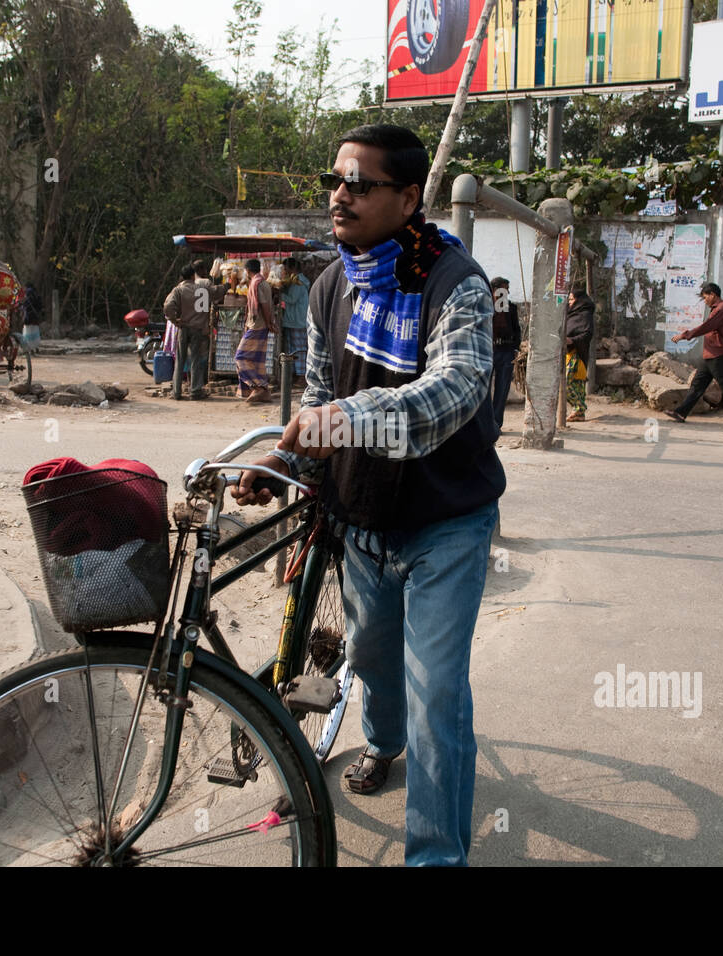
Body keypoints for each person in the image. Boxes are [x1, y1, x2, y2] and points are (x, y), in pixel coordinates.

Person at [232, 123, 505, 867]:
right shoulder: (330, 284)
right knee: (376, 666)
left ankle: (435, 857)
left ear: (409, 197)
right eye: (336, 181)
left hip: (446, 519)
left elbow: (453, 392)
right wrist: (286, 463)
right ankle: (382, 745)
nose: (340, 195)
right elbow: (319, 396)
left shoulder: (456, 282)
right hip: (363, 521)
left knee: (436, 694)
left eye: (360, 184)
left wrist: (342, 418)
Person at [666, 281, 723, 428]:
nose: (705, 301)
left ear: (713, 295)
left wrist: (685, 335)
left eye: (706, 297)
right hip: (710, 355)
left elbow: (707, 327)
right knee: (697, 385)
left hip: (716, 355)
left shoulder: (721, 310)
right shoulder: (718, 309)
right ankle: (681, 412)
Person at [163, 263, 213, 400]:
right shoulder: (201, 289)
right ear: (193, 275)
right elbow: (214, 295)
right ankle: (195, 391)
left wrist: (174, 320)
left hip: (183, 328)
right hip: (197, 329)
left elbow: (168, 306)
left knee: (180, 360)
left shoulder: (178, 290)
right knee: (195, 360)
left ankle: (176, 392)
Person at [235, 258, 276, 403]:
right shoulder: (263, 282)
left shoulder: (257, 283)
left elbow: (264, 304)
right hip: (259, 324)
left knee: (240, 357)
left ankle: (258, 387)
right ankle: (262, 392)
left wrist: (269, 321)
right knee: (256, 360)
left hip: (257, 324)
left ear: (247, 270)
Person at [490, 277, 520, 430]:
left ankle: (496, 425)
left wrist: (515, 349)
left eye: (507, 289)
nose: (507, 292)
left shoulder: (511, 308)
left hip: (506, 351)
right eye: (504, 289)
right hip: (489, 351)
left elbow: (517, 330)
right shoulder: (486, 306)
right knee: (483, 389)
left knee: (502, 391)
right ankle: (485, 424)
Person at [563, 285, 594, 422]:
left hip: (577, 353)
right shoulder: (569, 313)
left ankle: (579, 408)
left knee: (567, 381)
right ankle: (579, 413)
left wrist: (572, 340)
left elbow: (587, 334)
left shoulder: (585, 314)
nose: (569, 302)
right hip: (568, 353)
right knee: (576, 383)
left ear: (579, 300)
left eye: (571, 299)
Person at [277, 256, 311, 379]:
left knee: (299, 348)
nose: (285, 272)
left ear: (292, 268)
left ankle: (302, 375)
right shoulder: (295, 281)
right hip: (293, 320)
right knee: (292, 349)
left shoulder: (298, 282)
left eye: (286, 269)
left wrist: (280, 292)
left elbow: (292, 299)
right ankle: (295, 374)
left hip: (297, 320)